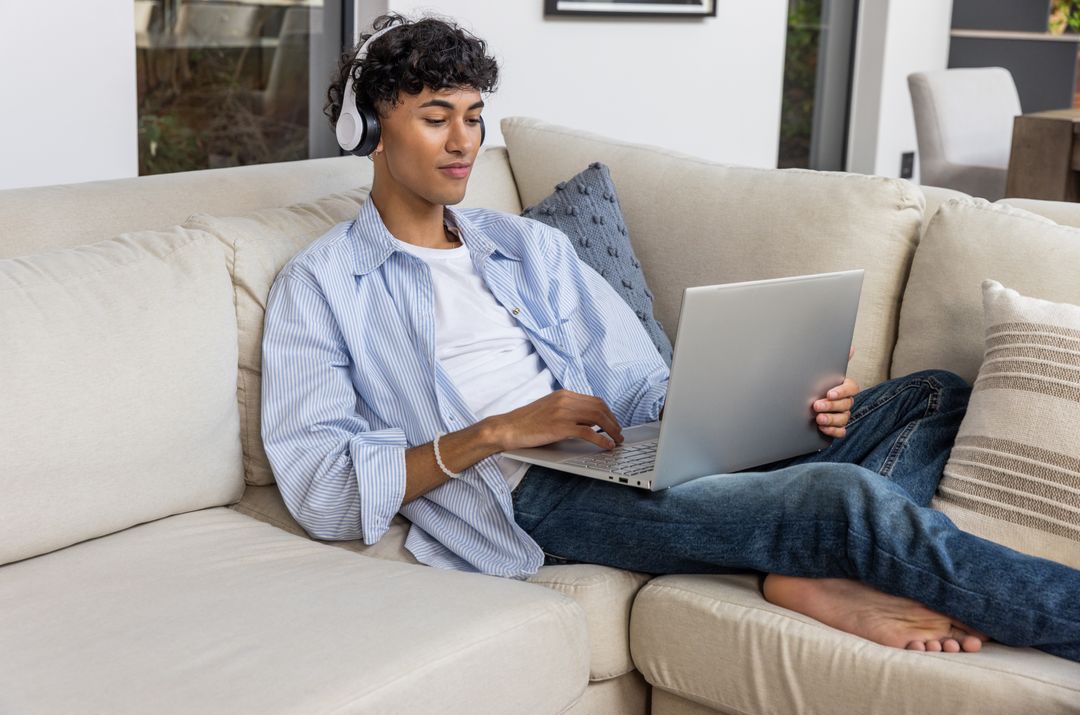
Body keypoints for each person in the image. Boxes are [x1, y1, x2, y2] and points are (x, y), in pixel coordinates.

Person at [261, 13, 1080, 661]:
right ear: (371, 126)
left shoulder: (526, 246)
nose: (464, 141)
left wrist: (766, 409)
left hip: (626, 449)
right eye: (435, 117)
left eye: (474, 117)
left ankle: (804, 567)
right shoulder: (324, 287)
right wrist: (500, 432)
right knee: (842, 499)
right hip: (529, 494)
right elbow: (326, 492)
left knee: (935, 391)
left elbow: (643, 383)